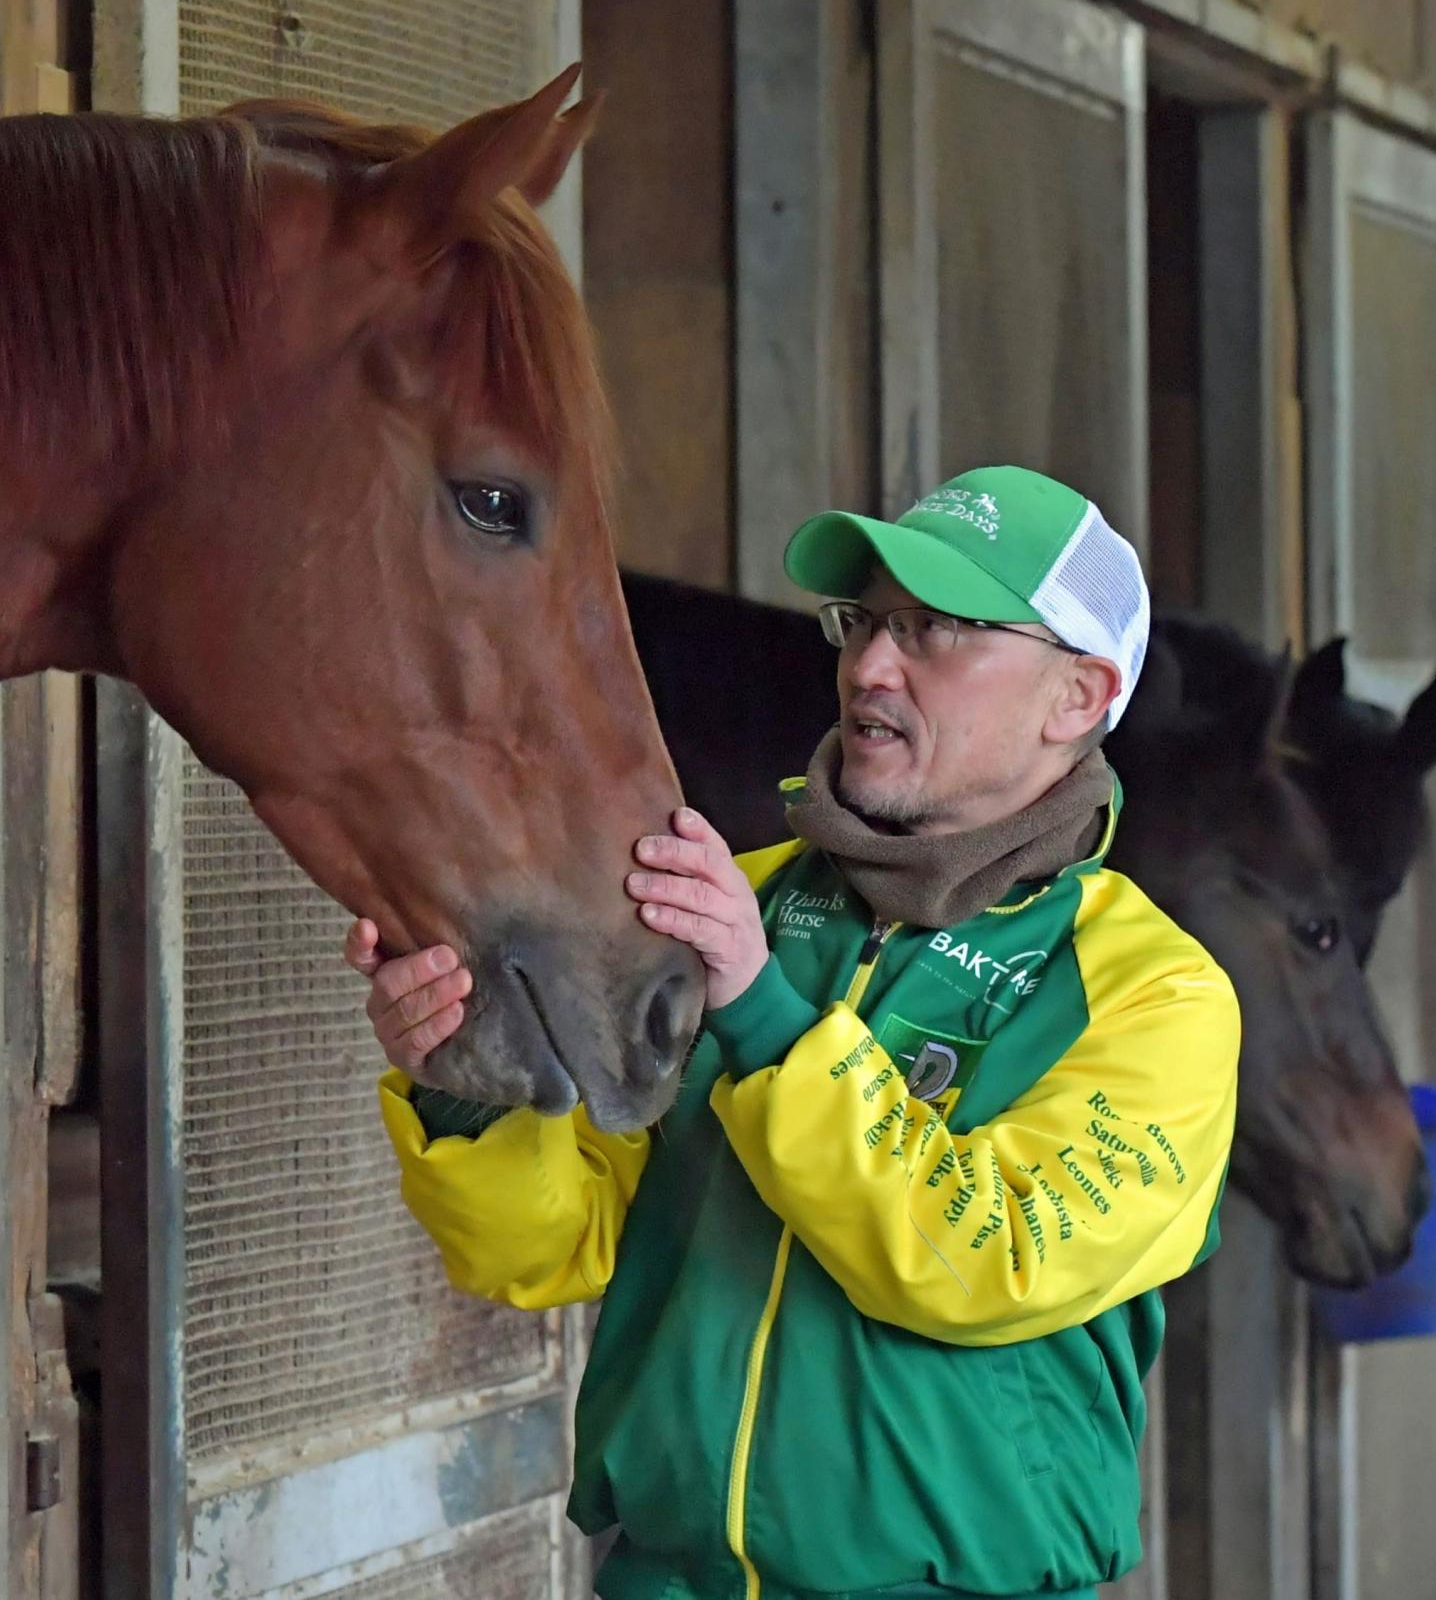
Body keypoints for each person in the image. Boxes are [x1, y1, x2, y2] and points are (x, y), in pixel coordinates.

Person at [343, 464, 1239, 1600]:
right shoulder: (728, 906)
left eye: (936, 630)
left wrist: (767, 1019)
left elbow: (985, 1255)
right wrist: (467, 1078)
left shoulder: (1155, 995)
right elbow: (548, 1246)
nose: (869, 665)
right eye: (863, 620)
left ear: (1076, 696)